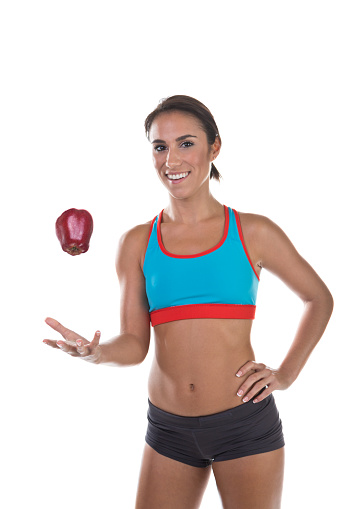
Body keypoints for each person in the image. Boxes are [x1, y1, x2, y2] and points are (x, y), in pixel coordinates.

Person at [43, 95, 333, 509]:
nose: (171, 160)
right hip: (168, 431)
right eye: (160, 147)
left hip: (244, 426)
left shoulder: (254, 231)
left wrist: (285, 374)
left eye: (186, 143)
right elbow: (134, 344)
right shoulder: (137, 242)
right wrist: (95, 353)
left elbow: (318, 298)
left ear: (214, 148)